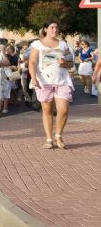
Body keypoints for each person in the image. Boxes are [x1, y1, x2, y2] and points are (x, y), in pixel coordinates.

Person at [29, 20, 74, 150]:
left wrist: (64, 63)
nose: (55, 30)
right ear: (45, 29)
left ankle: (58, 135)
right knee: (47, 110)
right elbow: (32, 62)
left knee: (63, 110)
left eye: (56, 27)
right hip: (45, 81)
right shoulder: (37, 44)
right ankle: (49, 139)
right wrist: (33, 77)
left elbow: (70, 63)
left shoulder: (64, 44)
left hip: (62, 80)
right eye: (52, 27)